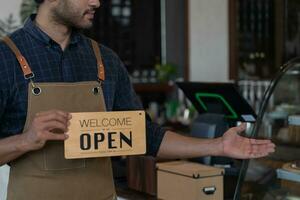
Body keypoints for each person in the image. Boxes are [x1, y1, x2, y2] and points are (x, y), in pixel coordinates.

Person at [0, 0, 275, 199]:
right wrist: (25, 140)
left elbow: (146, 137)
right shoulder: (5, 58)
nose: (97, 2)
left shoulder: (104, 60)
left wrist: (218, 146)